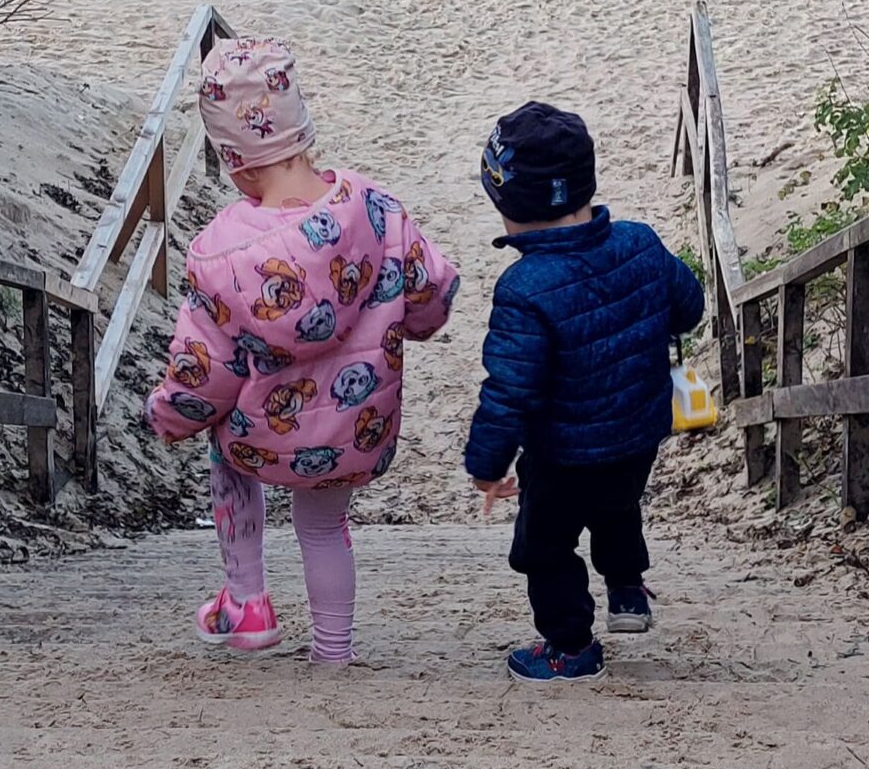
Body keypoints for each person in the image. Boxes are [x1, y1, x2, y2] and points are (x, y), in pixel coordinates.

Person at [144, 38, 458, 663]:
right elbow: (434, 294)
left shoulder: (221, 251)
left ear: (235, 160)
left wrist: (170, 415)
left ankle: (247, 600)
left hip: (264, 435)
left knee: (225, 450)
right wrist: (402, 319)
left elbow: (206, 371)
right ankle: (332, 653)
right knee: (321, 526)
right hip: (356, 427)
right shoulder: (375, 208)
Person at [464, 100, 705, 682]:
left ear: (509, 207)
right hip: (640, 430)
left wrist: (487, 465)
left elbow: (510, 392)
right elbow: (689, 308)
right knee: (619, 505)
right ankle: (627, 591)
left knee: (543, 548)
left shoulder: (523, 289)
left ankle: (570, 647)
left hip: (562, 455)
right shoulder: (641, 243)